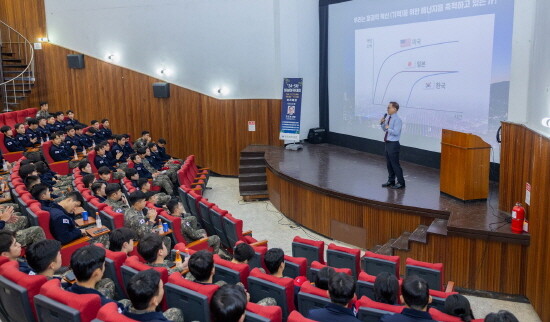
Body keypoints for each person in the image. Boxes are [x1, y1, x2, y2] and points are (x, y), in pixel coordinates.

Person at [380, 101, 405, 189]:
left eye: (389, 107)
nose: (387, 109)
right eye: (387, 107)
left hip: (394, 144)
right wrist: (383, 123)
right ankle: (391, 181)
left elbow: (396, 132)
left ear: (395, 109)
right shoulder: (389, 118)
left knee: (395, 164)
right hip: (388, 143)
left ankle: (401, 182)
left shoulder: (397, 120)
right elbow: (384, 130)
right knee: (389, 164)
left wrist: (388, 128)